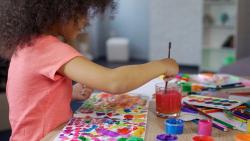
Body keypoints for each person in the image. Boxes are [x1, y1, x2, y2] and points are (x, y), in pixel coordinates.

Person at [0, 0, 179, 140]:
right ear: (60, 10)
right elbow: (113, 81)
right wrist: (162, 65)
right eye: (82, 11)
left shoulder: (30, 45)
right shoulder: (47, 48)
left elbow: (32, 98)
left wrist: (68, 92)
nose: (86, 21)